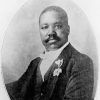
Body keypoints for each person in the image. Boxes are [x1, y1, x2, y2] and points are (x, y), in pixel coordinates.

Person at [6, 6, 94, 100]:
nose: (51, 32)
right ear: (39, 31)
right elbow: (16, 90)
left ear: (68, 29)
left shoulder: (81, 62)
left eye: (58, 26)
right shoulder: (35, 63)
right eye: (44, 27)